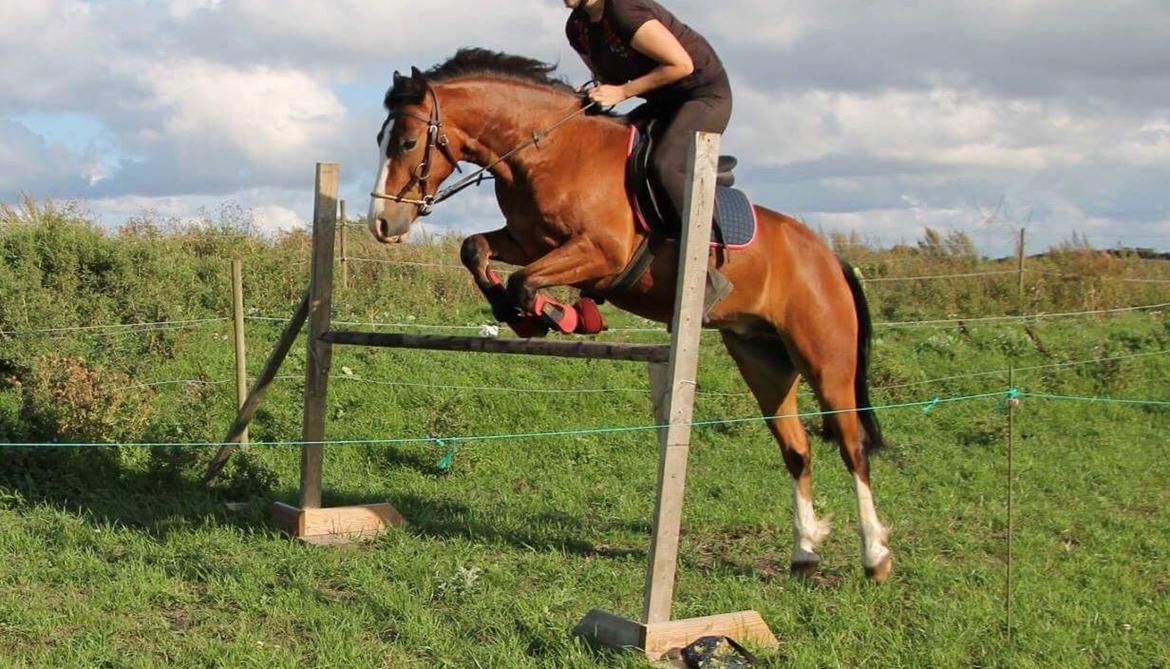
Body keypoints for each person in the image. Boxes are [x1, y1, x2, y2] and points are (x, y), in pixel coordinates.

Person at [563, 0, 733, 233]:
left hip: (703, 97)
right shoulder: (576, 27)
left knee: (664, 165)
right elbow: (607, 80)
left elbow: (681, 65)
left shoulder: (623, 10)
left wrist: (622, 92)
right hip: (659, 103)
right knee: (609, 153)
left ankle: (701, 254)